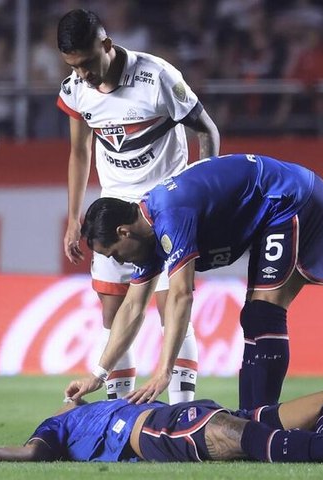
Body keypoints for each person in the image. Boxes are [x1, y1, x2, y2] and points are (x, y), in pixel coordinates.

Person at [65, 154, 323, 411]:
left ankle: (262, 422)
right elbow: (133, 306)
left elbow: (181, 295)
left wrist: (164, 372)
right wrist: (97, 376)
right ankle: (252, 417)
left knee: (265, 314)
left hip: (293, 198)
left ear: (123, 232)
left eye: (114, 253)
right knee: (253, 317)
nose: (120, 262)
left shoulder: (170, 214)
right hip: (274, 208)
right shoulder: (148, 231)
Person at [56, 9, 220, 404]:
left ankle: (183, 411)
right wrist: (75, 215)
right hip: (112, 215)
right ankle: (116, 413)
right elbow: (80, 152)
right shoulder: (75, 89)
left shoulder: (157, 77)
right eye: (74, 67)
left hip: (164, 211)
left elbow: (206, 130)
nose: (84, 75)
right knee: (114, 316)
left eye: (88, 64)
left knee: (171, 314)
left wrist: (200, 196)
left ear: (106, 45)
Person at [0, 389, 323, 464]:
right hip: (151, 432)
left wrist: (80, 395)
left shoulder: (87, 407)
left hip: (188, 411)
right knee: (230, 435)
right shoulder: (55, 428)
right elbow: (34, 452)